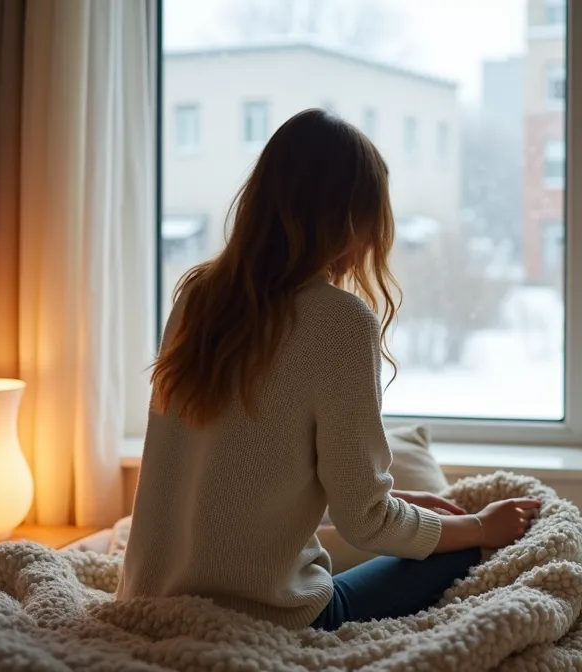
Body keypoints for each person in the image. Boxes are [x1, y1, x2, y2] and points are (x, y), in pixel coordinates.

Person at [116, 109, 541, 631]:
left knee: (433, 535)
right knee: (457, 553)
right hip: (269, 620)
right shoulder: (339, 321)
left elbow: (253, 479)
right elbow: (366, 523)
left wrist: (401, 499)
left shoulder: (198, 295)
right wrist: (479, 526)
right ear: (347, 221)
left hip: (146, 604)